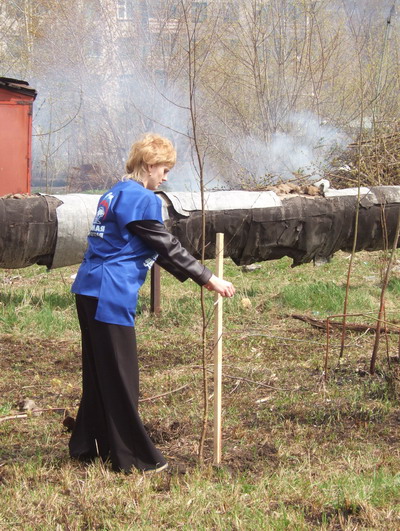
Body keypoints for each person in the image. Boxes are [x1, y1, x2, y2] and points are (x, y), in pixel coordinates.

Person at [69, 133, 235, 474]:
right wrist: (209, 278)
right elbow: (165, 245)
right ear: (148, 165)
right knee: (120, 375)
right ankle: (135, 458)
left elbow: (150, 246)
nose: (166, 175)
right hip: (109, 294)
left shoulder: (114, 192)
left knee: (100, 371)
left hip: (88, 287)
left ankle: (89, 445)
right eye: (164, 167)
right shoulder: (142, 198)